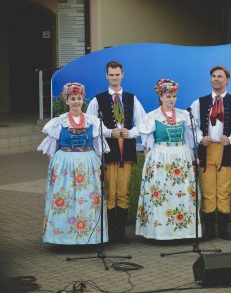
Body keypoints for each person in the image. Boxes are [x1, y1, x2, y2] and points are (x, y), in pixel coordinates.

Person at [37, 82, 110, 245]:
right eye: (73, 98)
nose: (76, 102)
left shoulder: (93, 121)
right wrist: (53, 171)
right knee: (65, 199)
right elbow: (51, 149)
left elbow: (99, 149)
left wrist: (97, 167)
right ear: (66, 100)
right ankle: (63, 237)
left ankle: (89, 237)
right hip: (65, 166)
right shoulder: (58, 122)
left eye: (79, 98)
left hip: (87, 164)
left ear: (83, 100)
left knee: (87, 200)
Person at [87, 61, 146, 244]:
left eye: (117, 74)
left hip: (126, 149)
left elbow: (143, 122)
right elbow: (92, 123)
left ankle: (121, 232)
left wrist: (131, 133)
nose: (114, 77)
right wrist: (109, 131)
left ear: (122, 75)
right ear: (106, 76)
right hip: (108, 149)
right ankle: (110, 232)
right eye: (111, 75)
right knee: (110, 191)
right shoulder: (98, 99)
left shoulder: (131, 98)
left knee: (123, 190)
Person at [135, 78, 201, 240]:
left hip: (181, 156)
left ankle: (184, 231)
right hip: (161, 157)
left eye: (173, 96)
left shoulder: (184, 115)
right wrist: (148, 162)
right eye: (168, 96)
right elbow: (147, 142)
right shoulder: (153, 116)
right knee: (162, 193)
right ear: (161, 97)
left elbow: (191, 137)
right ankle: (160, 232)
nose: (171, 100)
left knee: (181, 192)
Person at [190, 65, 231, 241]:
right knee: (208, 190)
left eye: (220, 76)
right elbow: (191, 126)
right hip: (207, 150)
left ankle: (223, 230)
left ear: (227, 80)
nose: (216, 79)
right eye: (214, 76)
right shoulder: (199, 102)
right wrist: (201, 138)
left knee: (224, 190)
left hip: (226, 151)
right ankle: (209, 231)